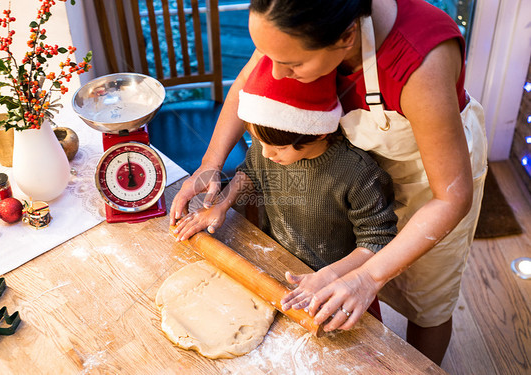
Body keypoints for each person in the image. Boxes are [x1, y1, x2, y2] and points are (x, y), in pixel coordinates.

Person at [170, 0, 488, 365]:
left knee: (425, 302)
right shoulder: (293, 21)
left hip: (428, 185)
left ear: (347, 37)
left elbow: (451, 197)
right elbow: (246, 83)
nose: (274, 72)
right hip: (346, 170)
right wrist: (210, 165)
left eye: (291, 65)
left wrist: (367, 277)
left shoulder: (418, 64)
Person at [174, 56, 397, 317]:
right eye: (257, 141)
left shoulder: (358, 174)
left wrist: (331, 275)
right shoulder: (269, 140)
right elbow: (252, 172)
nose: (266, 154)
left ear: (320, 132)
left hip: (342, 286)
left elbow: (378, 240)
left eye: (277, 148)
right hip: (281, 265)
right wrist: (221, 205)